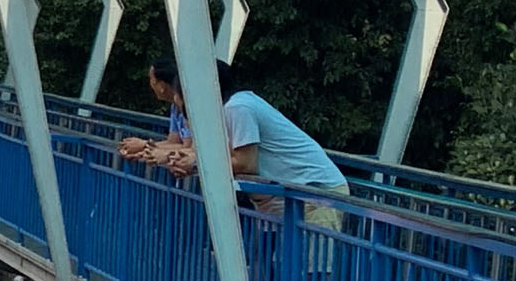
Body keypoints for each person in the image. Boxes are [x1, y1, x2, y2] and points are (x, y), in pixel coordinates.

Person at [118, 55, 349, 226]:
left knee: (311, 275)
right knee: (285, 274)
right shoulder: (225, 110)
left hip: (314, 194)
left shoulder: (238, 108)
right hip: (288, 197)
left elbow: (245, 163)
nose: (179, 100)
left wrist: (193, 164)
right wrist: (178, 159)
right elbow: (211, 154)